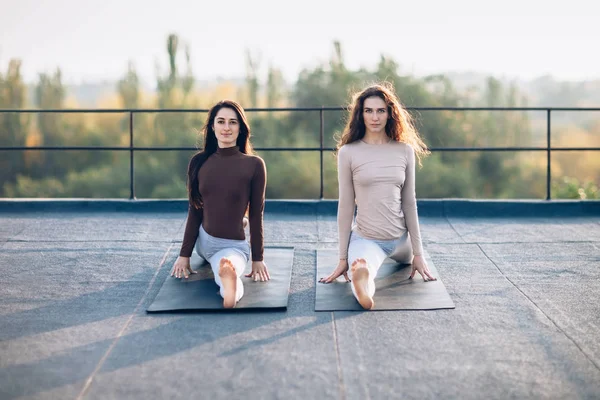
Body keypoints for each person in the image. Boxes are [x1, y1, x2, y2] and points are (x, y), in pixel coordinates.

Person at [319, 83, 436, 310]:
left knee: (405, 255)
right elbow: (345, 207)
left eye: (380, 110)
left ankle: (363, 272)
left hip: (402, 241)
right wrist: (343, 258)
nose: (375, 117)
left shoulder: (404, 151)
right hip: (367, 239)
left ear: (390, 113)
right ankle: (362, 285)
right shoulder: (348, 152)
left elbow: (410, 203)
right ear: (360, 114)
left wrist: (419, 254)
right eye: (368, 111)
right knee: (362, 269)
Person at [171, 100, 270, 308]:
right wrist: (184, 255)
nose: (227, 128)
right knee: (220, 257)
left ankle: (230, 284)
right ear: (212, 126)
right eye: (221, 121)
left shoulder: (254, 165)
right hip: (204, 240)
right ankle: (226, 269)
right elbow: (195, 210)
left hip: (234, 245)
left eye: (233, 122)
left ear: (241, 128)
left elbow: (256, 214)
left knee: (227, 267)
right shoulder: (198, 162)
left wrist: (258, 258)